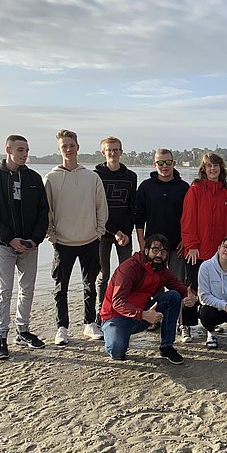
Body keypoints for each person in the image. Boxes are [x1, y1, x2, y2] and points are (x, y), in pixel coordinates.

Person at [0, 134, 49, 359]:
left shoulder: (33, 178)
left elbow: (43, 212)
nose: (25, 154)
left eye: (27, 150)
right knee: (4, 290)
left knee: (27, 288)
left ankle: (23, 330)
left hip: (30, 244)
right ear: (8, 149)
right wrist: (10, 239)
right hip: (3, 244)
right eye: (20, 150)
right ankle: (1, 336)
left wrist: (35, 239)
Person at [44, 129, 108, 346]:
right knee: (60, 287)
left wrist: (98, 231)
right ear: (59, 149)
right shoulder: (51, 178)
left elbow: (101, 207)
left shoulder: (92, 177)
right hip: (63, 242)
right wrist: (51, 235)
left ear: (78, 147)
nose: (68, 149)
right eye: (64, 146)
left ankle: (90, 323)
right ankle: (62, 327)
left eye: (71, 145)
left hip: (89, 239)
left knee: (90, 284)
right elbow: (47, 210)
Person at [99, 234, 197, 365]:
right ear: (146, 251)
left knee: (173, 296)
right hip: (116, 316)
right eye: (155, 250)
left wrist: (191, 297)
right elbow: (117, 302)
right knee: (117, 352)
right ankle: (110, 331)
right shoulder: (129, 267)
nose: (160, 255)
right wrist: (144, 314)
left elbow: (180, 288)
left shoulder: (162, 270)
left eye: (163, 251)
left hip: (142, 315)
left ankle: (167, 347)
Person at [180, 152, 227, 343]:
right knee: (191, 288)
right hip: (197, 251)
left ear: (221, 169)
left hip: (219, 255)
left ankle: (211, 324)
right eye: (209, 166)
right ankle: (186, 325)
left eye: (216, 166)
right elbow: (188, 220)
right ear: (203, 169)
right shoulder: (195, 190)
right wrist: (192, 246)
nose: (212, 169)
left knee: (215, 290)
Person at [94, 136, 137, 326]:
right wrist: (115, 231)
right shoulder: (96, 175)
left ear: (121, 151)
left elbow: (132, 207)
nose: (112, 153)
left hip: (125, 236)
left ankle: (123, 308)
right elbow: (96, 208)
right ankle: (102, 311)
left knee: (126, 273)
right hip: (102, 233)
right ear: (103, 152)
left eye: (116, 149)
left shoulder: (130, 176)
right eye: (109, 150)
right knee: (103, 274)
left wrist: (126, 232)